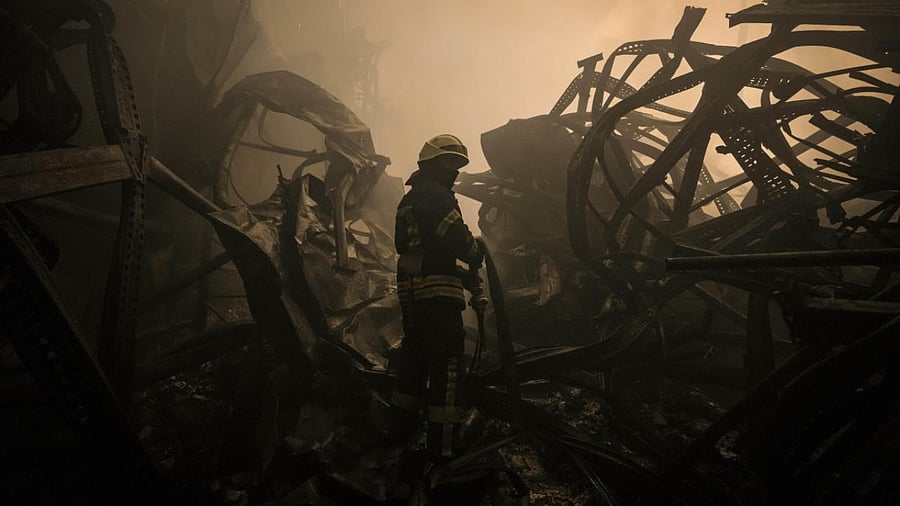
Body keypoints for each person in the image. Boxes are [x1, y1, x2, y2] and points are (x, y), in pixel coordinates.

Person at [391, 134, 483, 461]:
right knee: (448, 366)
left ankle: (398, 432)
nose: (454, 172)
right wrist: (476, 253)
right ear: (430, 166)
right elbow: (458, 240)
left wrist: (459, 274)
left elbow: (422, 250)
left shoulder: (412, 198)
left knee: (414, 358)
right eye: (448, 165)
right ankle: (442, 449)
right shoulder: (437, 197)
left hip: (413, 295)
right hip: (437, 297)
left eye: (457, 166)